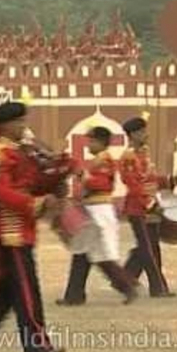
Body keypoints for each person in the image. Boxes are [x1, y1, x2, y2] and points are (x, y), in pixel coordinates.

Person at [0, 102, 65, 352]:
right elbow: (2, 191)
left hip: (22, 229)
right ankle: (36, 346)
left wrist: (55, 182)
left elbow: (30, 183)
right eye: (19, 122)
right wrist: (36, 203)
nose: (23, 126)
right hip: (11, 232)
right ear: (5, 125)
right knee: (28, 291)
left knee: (10, 292)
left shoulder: (20, 153)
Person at [56, 126, 138, 306]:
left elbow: (100, 183)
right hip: (93, 209)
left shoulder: (105, 160)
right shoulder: (98, 161)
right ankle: (75, 295)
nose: (89, 145)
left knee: (96, 254)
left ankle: (126, 286)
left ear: (101, 142)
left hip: (100, 210)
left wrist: (82, 176)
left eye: (91, 141)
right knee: (83, 252)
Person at [119, 117, 177, 298]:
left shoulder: (144, 153)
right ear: (133, 135)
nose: (146, 135)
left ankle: (125, 279)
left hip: (150, 206)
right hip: (138, 209)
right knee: (148, 249)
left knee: (149, 247)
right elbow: (133, 185)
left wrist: (168, 181)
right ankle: (158, 288)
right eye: (142, 132)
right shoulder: (128, 157)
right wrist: (150, 204)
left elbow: (150, 179)